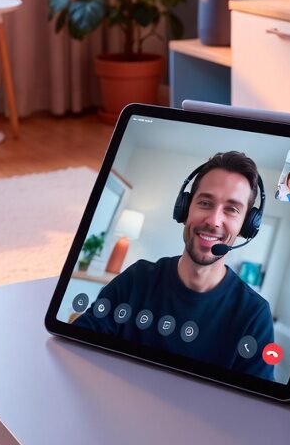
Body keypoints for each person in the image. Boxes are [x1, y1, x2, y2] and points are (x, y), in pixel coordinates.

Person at [74, 151, 275, 379]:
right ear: (185, 208)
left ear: (246, 226)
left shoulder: (254, 314)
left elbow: (257, 406)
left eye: (232, 209)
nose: (213, 220)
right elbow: (78, 345)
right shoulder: (137, 278)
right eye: (205, 203)